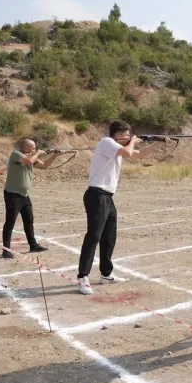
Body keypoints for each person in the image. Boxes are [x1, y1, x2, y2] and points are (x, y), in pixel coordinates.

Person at [75, 120, 172, 295]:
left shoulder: (116, 148)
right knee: (94, 236)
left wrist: (159, 143)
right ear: (118, 135)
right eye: (126, 135)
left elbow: (138, 155)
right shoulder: (107, 142)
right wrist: (133, 141)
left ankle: (106, 273)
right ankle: (83, 277)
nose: (128, 137)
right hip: (97, 194)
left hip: (107, 196)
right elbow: (128, 151)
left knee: (109, 236)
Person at [1, 139, 61, 259]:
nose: (34, 149)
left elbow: (44, 165)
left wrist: (55, 155)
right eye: (33, 148)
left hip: (24, 195)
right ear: (27, 148)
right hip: (13, 194)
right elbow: (29, 161)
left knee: (29, 221)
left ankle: (33, 245)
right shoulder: (16, 154)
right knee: (10, 223)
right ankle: (6, 250)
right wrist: (38, 153)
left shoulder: (30, 156)